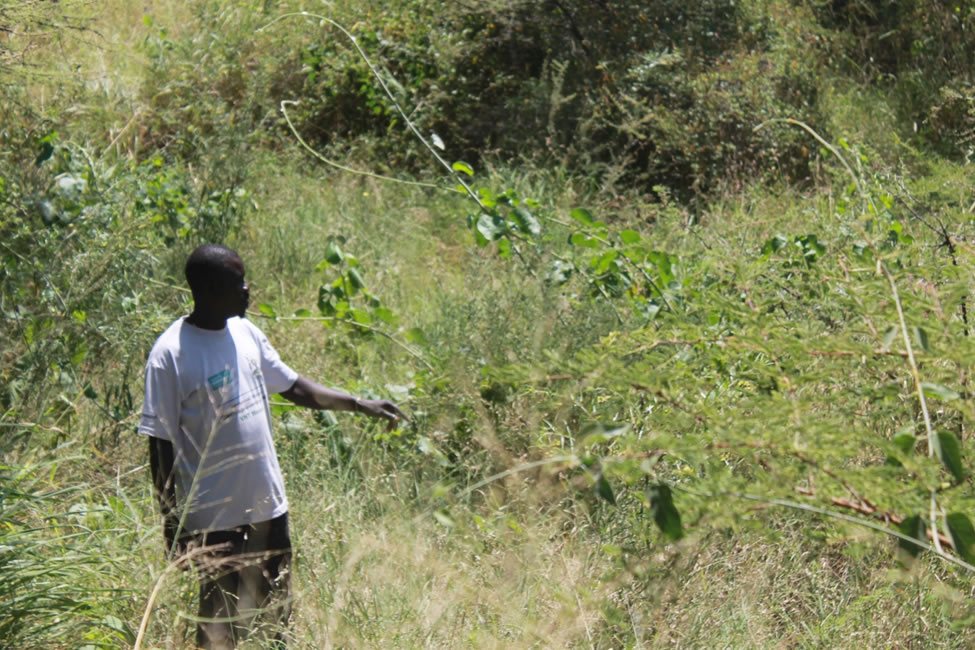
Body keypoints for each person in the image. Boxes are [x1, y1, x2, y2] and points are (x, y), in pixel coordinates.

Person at [140, 243, 405, 649]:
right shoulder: (170, 355)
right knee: (217, 627)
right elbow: (160, 446)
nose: (248, 289)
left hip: (267, 507)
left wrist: (359, 403)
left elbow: (295, 386)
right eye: (237, 282)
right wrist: (171, 523)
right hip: (213, 522)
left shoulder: (245, 332)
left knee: (276, 620)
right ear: (211, 289)